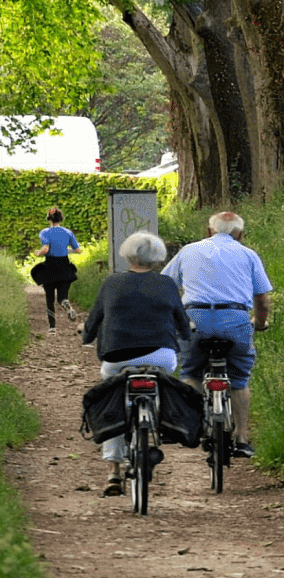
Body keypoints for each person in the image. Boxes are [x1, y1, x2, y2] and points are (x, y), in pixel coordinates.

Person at [82, 231, 191, 496]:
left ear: (127, 254)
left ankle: (113, 472)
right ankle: (159, 422)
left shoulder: (111, 283)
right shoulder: (166, 284)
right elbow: (182, 323)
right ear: (158, 257)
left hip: (117, 359)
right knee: (163, 382)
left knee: (113, 403)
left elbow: (95, 319)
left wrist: (86, 336)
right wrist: (186, 334)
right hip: (161, 356)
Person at [161, 211, 272, 459]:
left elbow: (165, 286)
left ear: (209, 230)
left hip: (194, 321)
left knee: (190, 372)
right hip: (235, 321)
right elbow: (262, 301)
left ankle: (190, 424)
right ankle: (242, 438)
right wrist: (260, 324)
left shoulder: (188, 251)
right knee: (239, 378)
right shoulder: (249, 255)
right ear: (240, 234)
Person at [34, 206, 81, 331]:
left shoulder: (45, 232)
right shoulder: (68, 232)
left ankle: (52, 327)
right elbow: (78, 250)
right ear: (61, 219)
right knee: (62, 296)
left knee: (49, 298)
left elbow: (46, 249)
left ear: (49, 219)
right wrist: (66, 250)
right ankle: (65, 303)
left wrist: (38, 253)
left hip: (50, 266)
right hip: (65, 266)